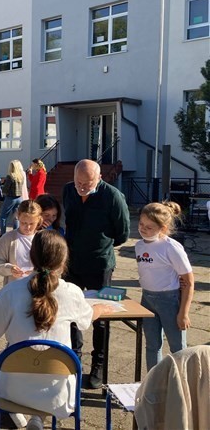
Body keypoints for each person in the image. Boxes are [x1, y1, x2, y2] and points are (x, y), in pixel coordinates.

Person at [0, 230, 115, 430]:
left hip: (13, 388)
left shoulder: (10, 291)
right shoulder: (71, 292)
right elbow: (86, 320)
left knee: (5, 360)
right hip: (57, 392)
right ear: (63, 261)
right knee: (48, 365)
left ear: (31, 257)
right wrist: (99, 309)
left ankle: (22, 414)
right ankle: (38, 418)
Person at [62, 159, 130, 389]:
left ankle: (98, 364)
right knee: (71, 312)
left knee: (101, 316)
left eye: (87, 183)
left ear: (99, 178)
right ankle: (74, 360)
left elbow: (122, 233)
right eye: (78, 182)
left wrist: (100, 244)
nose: (81, 187)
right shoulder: (68, 190)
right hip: (71, 263)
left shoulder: (112, 196)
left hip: (100, 265)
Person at [135, 201, 195, 371]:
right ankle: (154, 380)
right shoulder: (139, 245)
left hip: (169, 300)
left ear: (163, 228)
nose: (143, 229)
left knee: (178, 347)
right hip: (147, 299)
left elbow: (189, 281)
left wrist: (183, 313)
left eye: (149, 227)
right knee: (152, 345)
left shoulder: (171, 247)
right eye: (141, 224)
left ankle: (182, 381)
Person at [0, 200, 42, 286]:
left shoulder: (42, 239)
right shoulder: (7, 238)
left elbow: (51, 266)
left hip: (37, 287)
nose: (28, 227)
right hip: (14, 287)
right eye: (24, 223)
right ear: (18, 217)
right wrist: (10, 269)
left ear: (38, 220)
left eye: (32, 223)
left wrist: (37, 271)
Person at [0, 160, 25, 238]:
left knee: (3, 216)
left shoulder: (10, 176)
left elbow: (5, 190)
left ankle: (3, 234)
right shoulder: (21, 176)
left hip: (11, 198)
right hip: (19, 198)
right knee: (16, 217)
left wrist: (2, 185)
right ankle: (16, 234)